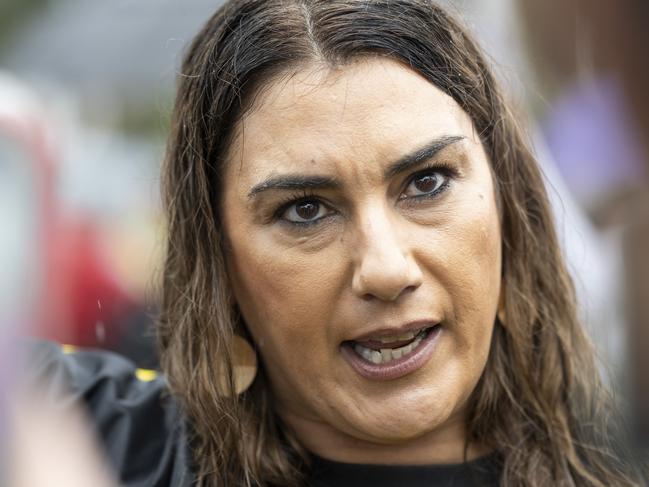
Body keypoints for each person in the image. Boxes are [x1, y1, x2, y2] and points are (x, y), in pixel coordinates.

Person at [20, 1, 644, 486]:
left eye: (426, 183)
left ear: (510, 208)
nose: (385, 268)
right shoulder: (95, 448)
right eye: (306, 210)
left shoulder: (624, 462)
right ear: (220, 264)